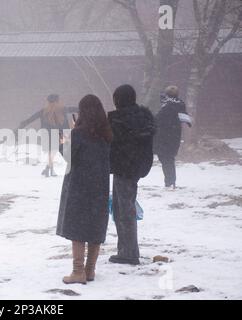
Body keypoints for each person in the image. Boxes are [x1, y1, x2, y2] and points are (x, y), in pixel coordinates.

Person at [56, 94, 113, 284]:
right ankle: (90, 270)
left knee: (78, 227)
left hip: (79, 186)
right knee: (95, 226)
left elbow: (69, 156)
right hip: (99, 186)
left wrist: (64, 140)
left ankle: (77, 271)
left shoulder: (78, 134)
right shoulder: (107, 134)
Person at [108, 85, 156, 265]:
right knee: (124, 208)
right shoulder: (144, 118)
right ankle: (127, 249)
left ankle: (128, 253)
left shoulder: (119, 120)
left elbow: (112, 143)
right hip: (137, 168)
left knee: (124, 210)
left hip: (123, 168)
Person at [19, 94, 78, 177]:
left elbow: (31, 119)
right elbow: (76, 109)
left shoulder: (44, 111)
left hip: (47, 134)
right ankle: (50, 168)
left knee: (51, 151)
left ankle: (48, 168)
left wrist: (22, 124)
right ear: (58, 101)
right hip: (59, 134)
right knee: (54, 151)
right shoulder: (63, 109)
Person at [153, 86, 192, 189]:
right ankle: (171, 182)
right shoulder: (180, 104)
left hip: (164, 137)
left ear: (167, 94)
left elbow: (157, 120)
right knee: (169, 159)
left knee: (166, 160)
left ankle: (169, 182)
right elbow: (186, 119)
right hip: (174, 136)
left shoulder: (167, 106)